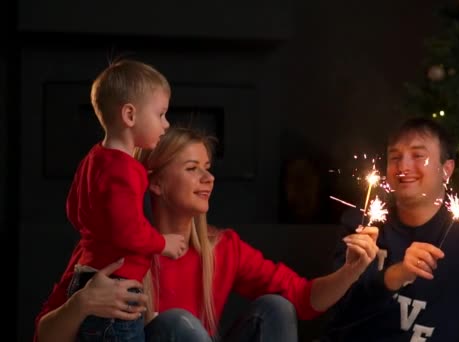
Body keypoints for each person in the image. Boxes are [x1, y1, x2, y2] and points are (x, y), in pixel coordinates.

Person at [34, 126, 380, 342]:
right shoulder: (112, 249)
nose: (208, 179)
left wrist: (351, 270)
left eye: (208, 169)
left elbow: (304, 300)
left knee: (277, 308)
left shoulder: (223, 247)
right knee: (177, 324)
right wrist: (82, 304)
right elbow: (42, 336)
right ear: (154, 183)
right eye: (191, 169)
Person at [322, 117, 459, 341]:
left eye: (418, 156)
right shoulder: (362, 226)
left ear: (446, 170)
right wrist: (392, 276)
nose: (403, 167)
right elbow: (337, 315)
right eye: (395, 157)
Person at [63, 59, 187, 341]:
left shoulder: (93, 158)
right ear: (130, 115)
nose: (166, 124)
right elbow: (128, 229)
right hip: (117, 289)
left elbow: (73, 210)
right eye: (161, 114)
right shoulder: (127, 169)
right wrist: (163, 243)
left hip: (87, 277)